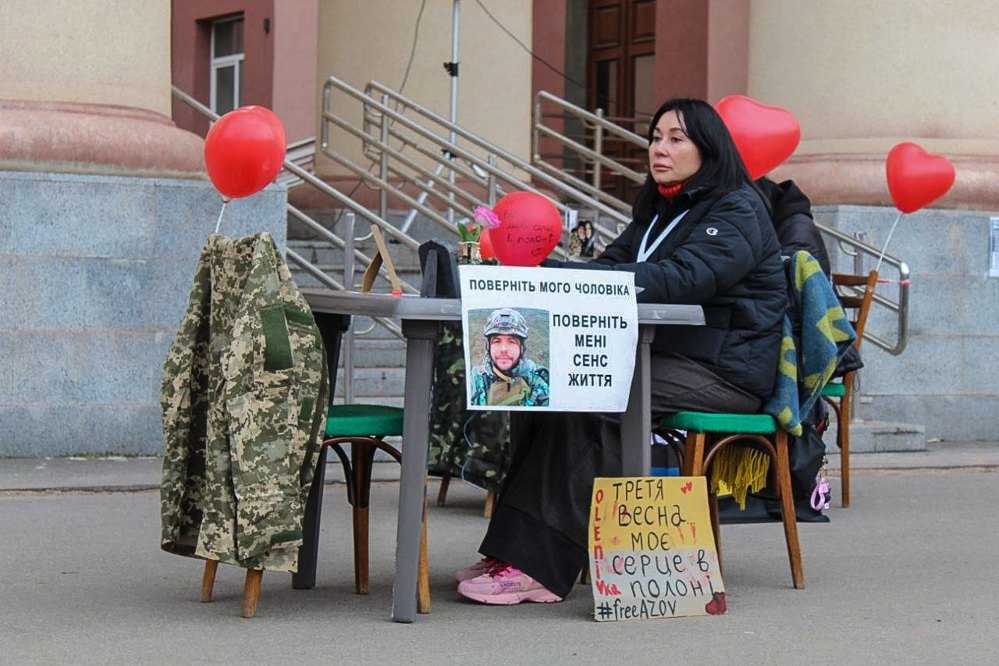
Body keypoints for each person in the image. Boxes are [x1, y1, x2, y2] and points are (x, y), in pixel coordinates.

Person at [455, 98, 786, 605]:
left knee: (591, 394)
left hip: (724, 371)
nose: (660, 148)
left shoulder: (736, 208)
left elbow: (684, 280)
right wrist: (541, 273)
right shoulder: (662, 210)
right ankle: (515, 551)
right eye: (655, 137)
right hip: (664, 358)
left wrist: (563, 275)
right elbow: (611, 264)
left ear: (709, 148)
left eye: (677, 139)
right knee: (548, 389)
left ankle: (540, 567)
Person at [469, 308, 549, 407]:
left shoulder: (537, 381)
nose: (503, 349)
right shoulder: (474, 379)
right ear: (488, 347)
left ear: (522, 348)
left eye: (511, 342)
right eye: (497, 341)